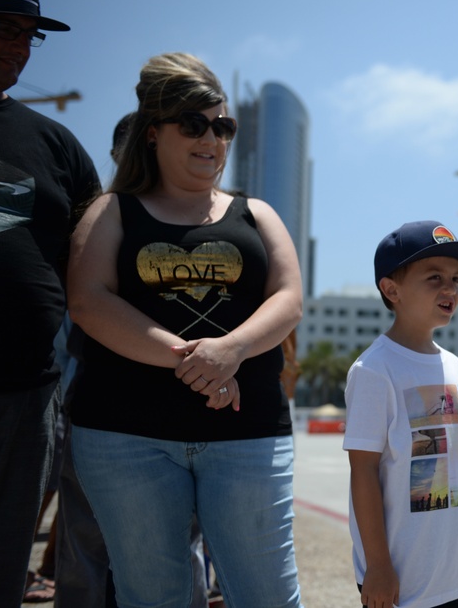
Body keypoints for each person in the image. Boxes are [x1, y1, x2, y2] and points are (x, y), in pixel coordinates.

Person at [66, 52, 304, 608]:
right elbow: (88, 301)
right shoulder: (111, 211)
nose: (213, 140)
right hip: (126, 438)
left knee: (268, 596)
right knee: (153, 598)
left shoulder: (257, 213)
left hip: (247, 439)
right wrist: (198, 363)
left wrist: (232, 350)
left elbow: (289, 300)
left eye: (223, 126)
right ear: (153, 135)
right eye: (194, 125)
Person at [0, 0, 100, 607]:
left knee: (2, 566)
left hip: (28, 399)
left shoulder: (54, 144)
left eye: (30, 33)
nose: (18, 45)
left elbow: (103, 261)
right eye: (3, 26)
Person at [344, 220, 458, 608]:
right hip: (403, 576)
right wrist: (377, 565)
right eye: (434, 277)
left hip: (457, 571)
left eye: (456, 279)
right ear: (391, 290)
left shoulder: (456, 367)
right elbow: (363, 472)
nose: (450, 289)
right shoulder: (374, 370)